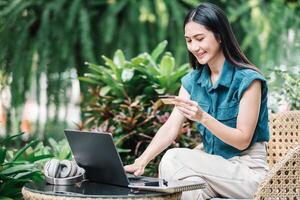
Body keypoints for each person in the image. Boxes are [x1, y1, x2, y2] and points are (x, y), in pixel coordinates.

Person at [124, 2, 269, 199]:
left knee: (173, 157)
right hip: (213, 172)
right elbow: (170, 128)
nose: (194, 47)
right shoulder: (193, 81)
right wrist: (141, 161)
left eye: (200, 39)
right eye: (189, 40)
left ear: (219, 36)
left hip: (247, 174)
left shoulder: (248, 80)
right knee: (187, 188)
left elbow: (242, 141)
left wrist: (202, 117)